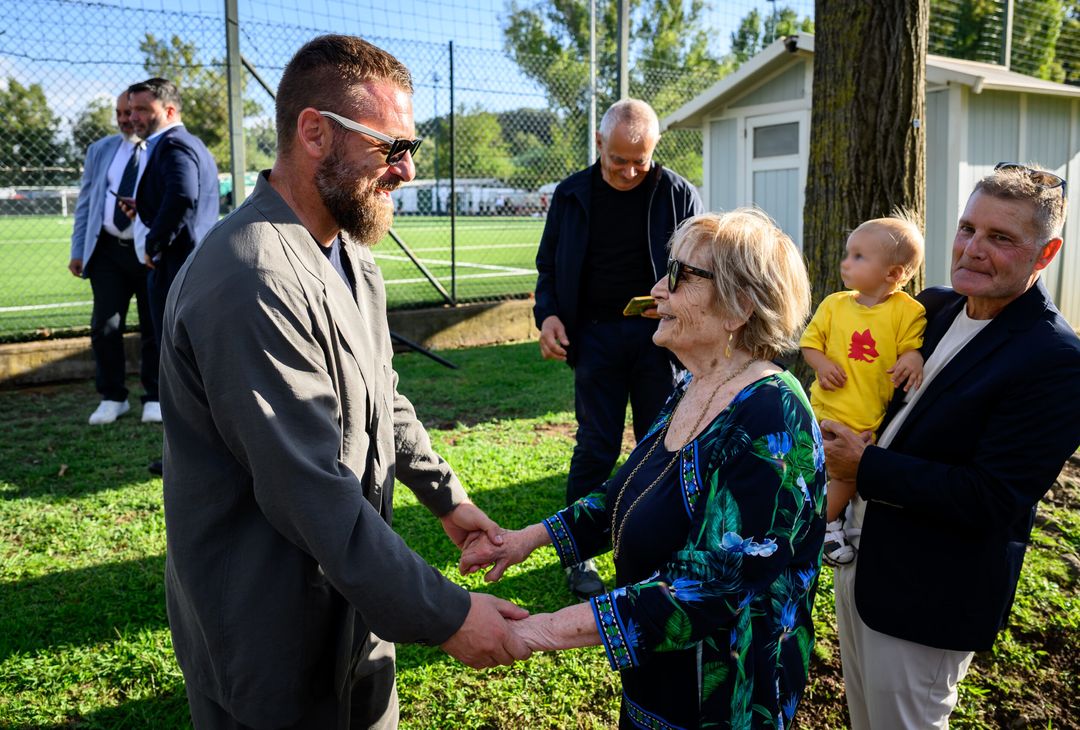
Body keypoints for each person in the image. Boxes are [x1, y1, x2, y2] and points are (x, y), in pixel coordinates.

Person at [157, 35, 530, 728]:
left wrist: (446, 499)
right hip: (266, 624)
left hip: (352, 604)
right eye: (391, 148)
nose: (408, 170)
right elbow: (306, 491)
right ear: (315, 134)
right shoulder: (252, 278)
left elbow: (381, 396)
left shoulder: (350, 256)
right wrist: (448, 615)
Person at [464, 210, 827, 728]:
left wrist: (534, 631)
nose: (657, 289)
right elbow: (625, 492)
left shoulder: (773, 418)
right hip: (653, 689)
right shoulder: (693, 384)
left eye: (679, 276)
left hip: (722, 710)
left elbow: (705, 589)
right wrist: (523, 541)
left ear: (738, 308)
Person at [822, 163, 1080, 729]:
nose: (972, 249)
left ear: (1046, 252)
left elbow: (993, 496)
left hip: (928, 595)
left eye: (1001, 238)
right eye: (967, 229)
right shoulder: (933, 309)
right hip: (861, 563)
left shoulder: (1056, 359)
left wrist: (864, 466)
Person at [534, 99, 703, 600]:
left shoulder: (678, 194)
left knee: (665, 444)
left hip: (663, 340)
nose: (630, 171)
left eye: (641, 160)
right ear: (599, 145)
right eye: (619, 160)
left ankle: (660, 545)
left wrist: (680, 303)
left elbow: (700, 269)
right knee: (596, 447)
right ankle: (579, 554)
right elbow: (547, 269)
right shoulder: (570, 195)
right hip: (596, 338)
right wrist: (548, 317)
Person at [800, 213, 926, 565]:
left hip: (863, 420)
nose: (846, 262)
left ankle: (822, 523)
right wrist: (822, 365)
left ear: (894, 274)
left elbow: (910, 348)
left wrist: (913, 359)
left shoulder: (907, 312)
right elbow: (810, 345)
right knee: (810, 465)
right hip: (823, 409)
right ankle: (813, 515)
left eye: (859, 257)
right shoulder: (834, 305)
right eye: (848, 253)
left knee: (846, 475)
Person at [124, 77, 219, 475]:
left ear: (169, 111)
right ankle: (198, 452)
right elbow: (176, 196)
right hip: (189, 266)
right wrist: (145, 209)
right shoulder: (186, 144)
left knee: (180, 366)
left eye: (142, 110)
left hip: (177, 268)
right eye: (130, 111)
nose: (133, 118)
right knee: (193, 365)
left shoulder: (174, 144)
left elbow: (183, 196)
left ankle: (189, 457)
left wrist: (155, 243)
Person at [68, 91, 159, 425]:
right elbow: (86, 203)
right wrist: (78, 249)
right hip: (106, 251)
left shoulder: (162, 148)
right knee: (105, 326)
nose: (125, 119)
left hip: (148, 251)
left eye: (131, 112)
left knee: (153, 324)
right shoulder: (100, 150)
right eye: (120, 112)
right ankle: (112, 396)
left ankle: (155, 395)